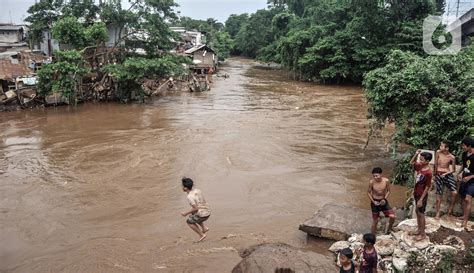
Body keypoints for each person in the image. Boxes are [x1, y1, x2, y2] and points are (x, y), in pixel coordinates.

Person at [409, 150, 433, 241]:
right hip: (416, 193)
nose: (420, 161)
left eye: (422, 160)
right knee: (417, 211)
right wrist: (416, 154)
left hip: (421, 195)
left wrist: (421, 199)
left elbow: (428, 186)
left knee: (421, 214)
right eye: (420, 159)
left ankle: (423, 234)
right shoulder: (420, 167)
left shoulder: (428, 173)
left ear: (427, 161)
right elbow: (411, 162)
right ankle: (419, 230)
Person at [180, 177, 211, 242]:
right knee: (193, 215)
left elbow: (195, 208)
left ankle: (202, 235)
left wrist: (185, 213)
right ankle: (204, 228)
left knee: (189, 221)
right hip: (208, 210)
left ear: (185, 188)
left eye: (182, 186)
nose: (182, 187)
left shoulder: (189, 197)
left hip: (203, 214)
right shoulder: (197, 190)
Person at [368, 167, 396, 234]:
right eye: (374, 176)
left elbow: (389, 191)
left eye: (377, 176)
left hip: (383, 201)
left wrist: (384, 199)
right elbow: (368, 192)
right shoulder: (371, 182)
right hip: (374, 202)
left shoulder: (386, 181)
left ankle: (389, 229)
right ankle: (372, 235)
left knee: (392, 216)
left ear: (381, 174)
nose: (375, 177)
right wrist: (373, 201)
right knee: (375, 220)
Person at [434, 141, 457, 219]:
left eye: (442, 146)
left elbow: (453, 170)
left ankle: (449, 211)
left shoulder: (452, 157)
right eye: (440, 146)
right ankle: (437, 213)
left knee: (454, 192)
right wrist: (434, 175)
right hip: (438, 174)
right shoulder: (438, 152)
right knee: (439, 194)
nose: (440, 147)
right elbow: (435, 164)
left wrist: (445, 174)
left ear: (447, 148)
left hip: (447, 174)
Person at [459, 136, 474, 231]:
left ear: (469, 146)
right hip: (464, 178)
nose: (463, 147)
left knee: (468, 199)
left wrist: (470, 177)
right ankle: (464, 216)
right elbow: (463, 165)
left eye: (464, 146)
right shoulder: (464, 154)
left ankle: (465, 221)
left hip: (472, 181)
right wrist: (459, 173)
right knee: (462, 198)